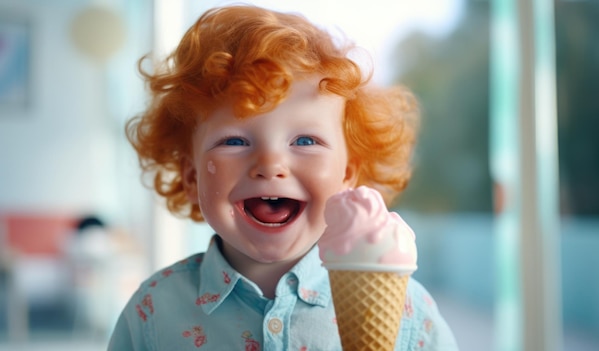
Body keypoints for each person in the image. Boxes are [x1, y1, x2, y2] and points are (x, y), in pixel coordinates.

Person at [108, 4, 458, 350]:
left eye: (305, 141)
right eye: (234, 140)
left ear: (347, 173)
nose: (270, 164)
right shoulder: (152, 313)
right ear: (191, 175)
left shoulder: (409, 316)